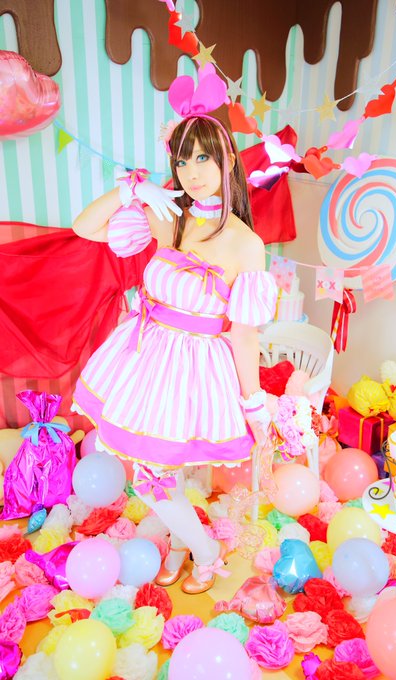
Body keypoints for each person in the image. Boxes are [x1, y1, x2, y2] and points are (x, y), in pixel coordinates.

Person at [72, 114, 278, 594]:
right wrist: (133, 191)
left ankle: (205, 552)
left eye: (203, 157)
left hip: (195, 371)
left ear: (228, 159)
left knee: (154, 477)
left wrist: (254, 404)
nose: (192, 172)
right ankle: (189, 544)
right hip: (146, 357)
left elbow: (244, 334)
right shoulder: (171, 216)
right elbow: (85, 227)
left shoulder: (246, 244)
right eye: (182, 161)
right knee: (156, 471)